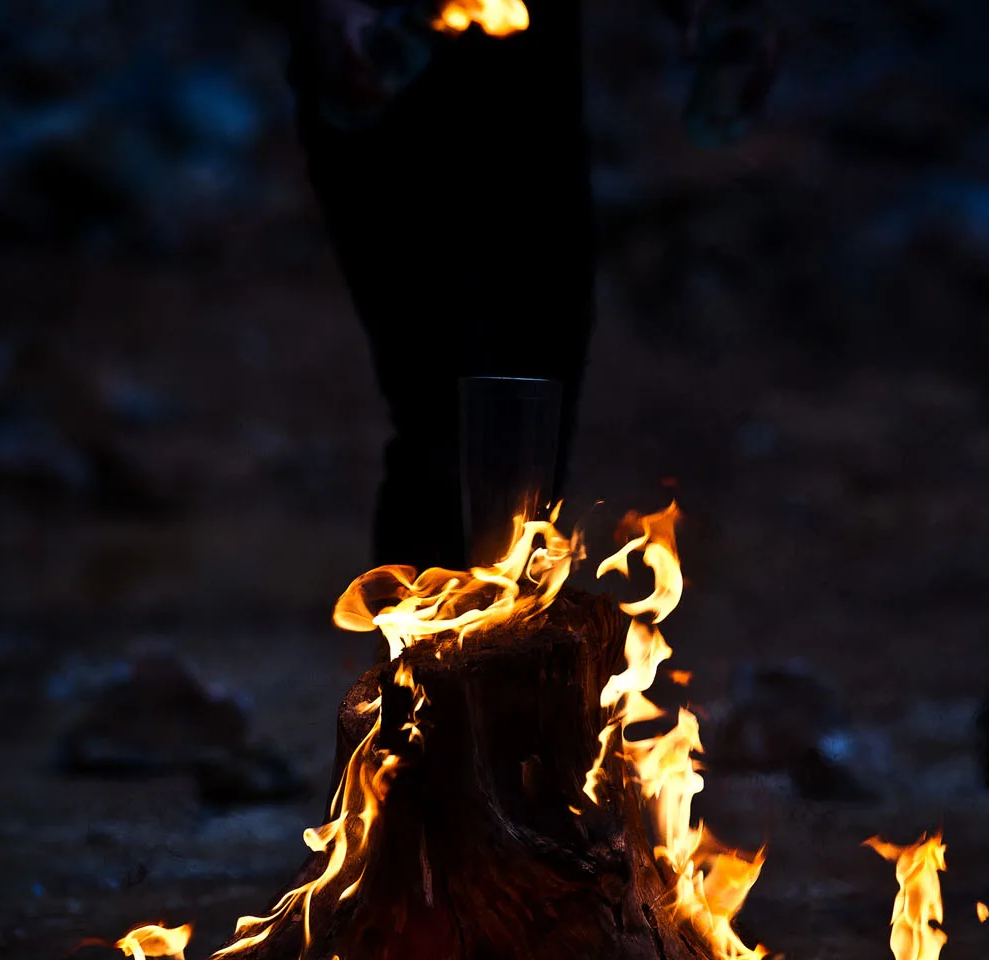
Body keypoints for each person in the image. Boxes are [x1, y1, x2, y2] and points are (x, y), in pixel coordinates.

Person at [285, 1, 777, 570]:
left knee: (539, 379)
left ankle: (506, 624)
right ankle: (427, 647)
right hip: (385, 71)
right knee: (441, 397)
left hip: (529, 84)